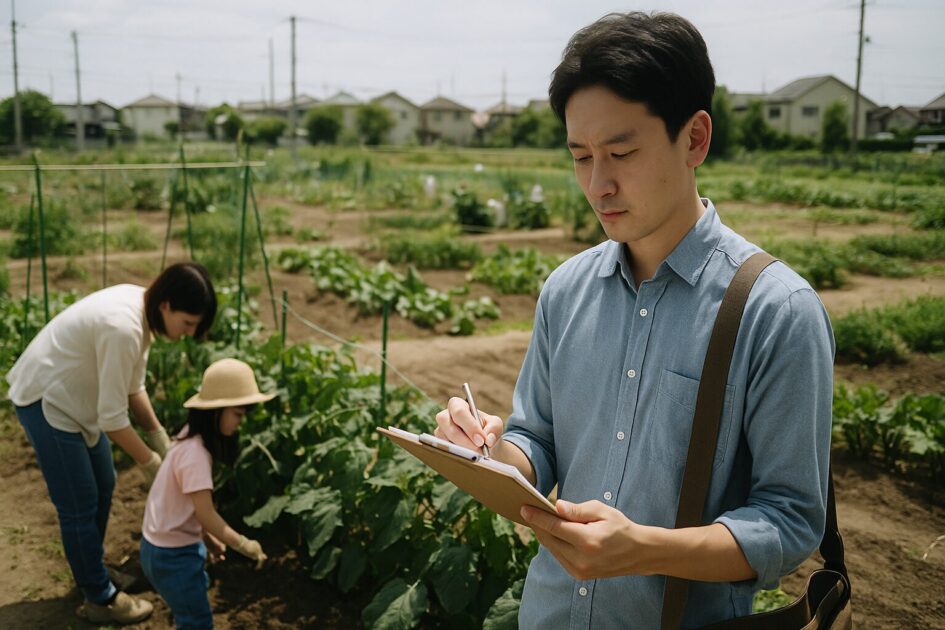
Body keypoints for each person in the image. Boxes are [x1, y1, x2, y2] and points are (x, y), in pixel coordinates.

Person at [434, 11, 834, 629]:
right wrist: (488, 454)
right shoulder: (566, 290)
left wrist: (644, 548)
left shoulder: (775, 311)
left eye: (621, 152)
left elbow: (788, 521)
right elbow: (536, 440)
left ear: (695, 138)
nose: (599, 184)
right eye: (581, 156)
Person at [6, 262, 217, 625]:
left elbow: (133, 387)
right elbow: (113, 419)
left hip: (74, 398)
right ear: (167, 305)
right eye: (187, 324)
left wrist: (160, 440)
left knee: (105, 483)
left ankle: (91, 571)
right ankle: (99, 598)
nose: (186, 334)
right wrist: (153, 464)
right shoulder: (123, 326)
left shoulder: (142, 311)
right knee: (79, 502)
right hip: (47, 401)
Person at [140, 358, 272, 630]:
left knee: (189, 612)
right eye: (237, 413)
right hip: (173, 556)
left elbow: (187, 508)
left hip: (158, 547)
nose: (240, 421)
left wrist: (209, 541)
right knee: (196, 622)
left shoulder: (187, 437)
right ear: (216, 411)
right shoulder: (197, 456)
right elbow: (205, 513)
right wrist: (244, 544)